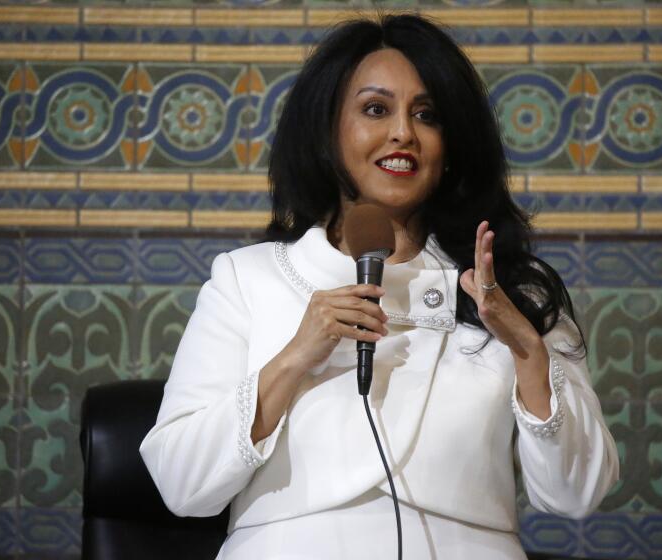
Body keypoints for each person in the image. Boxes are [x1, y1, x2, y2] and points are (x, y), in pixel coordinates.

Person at [140, 14, 618, 560]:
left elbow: (576, 495)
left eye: (427, 115)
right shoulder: (248, 278)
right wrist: (295, 359)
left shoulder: (513, 293)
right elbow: (179, 483)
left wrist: (529, 352)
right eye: (375, 109)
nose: (403, 133)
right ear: (327, 132)